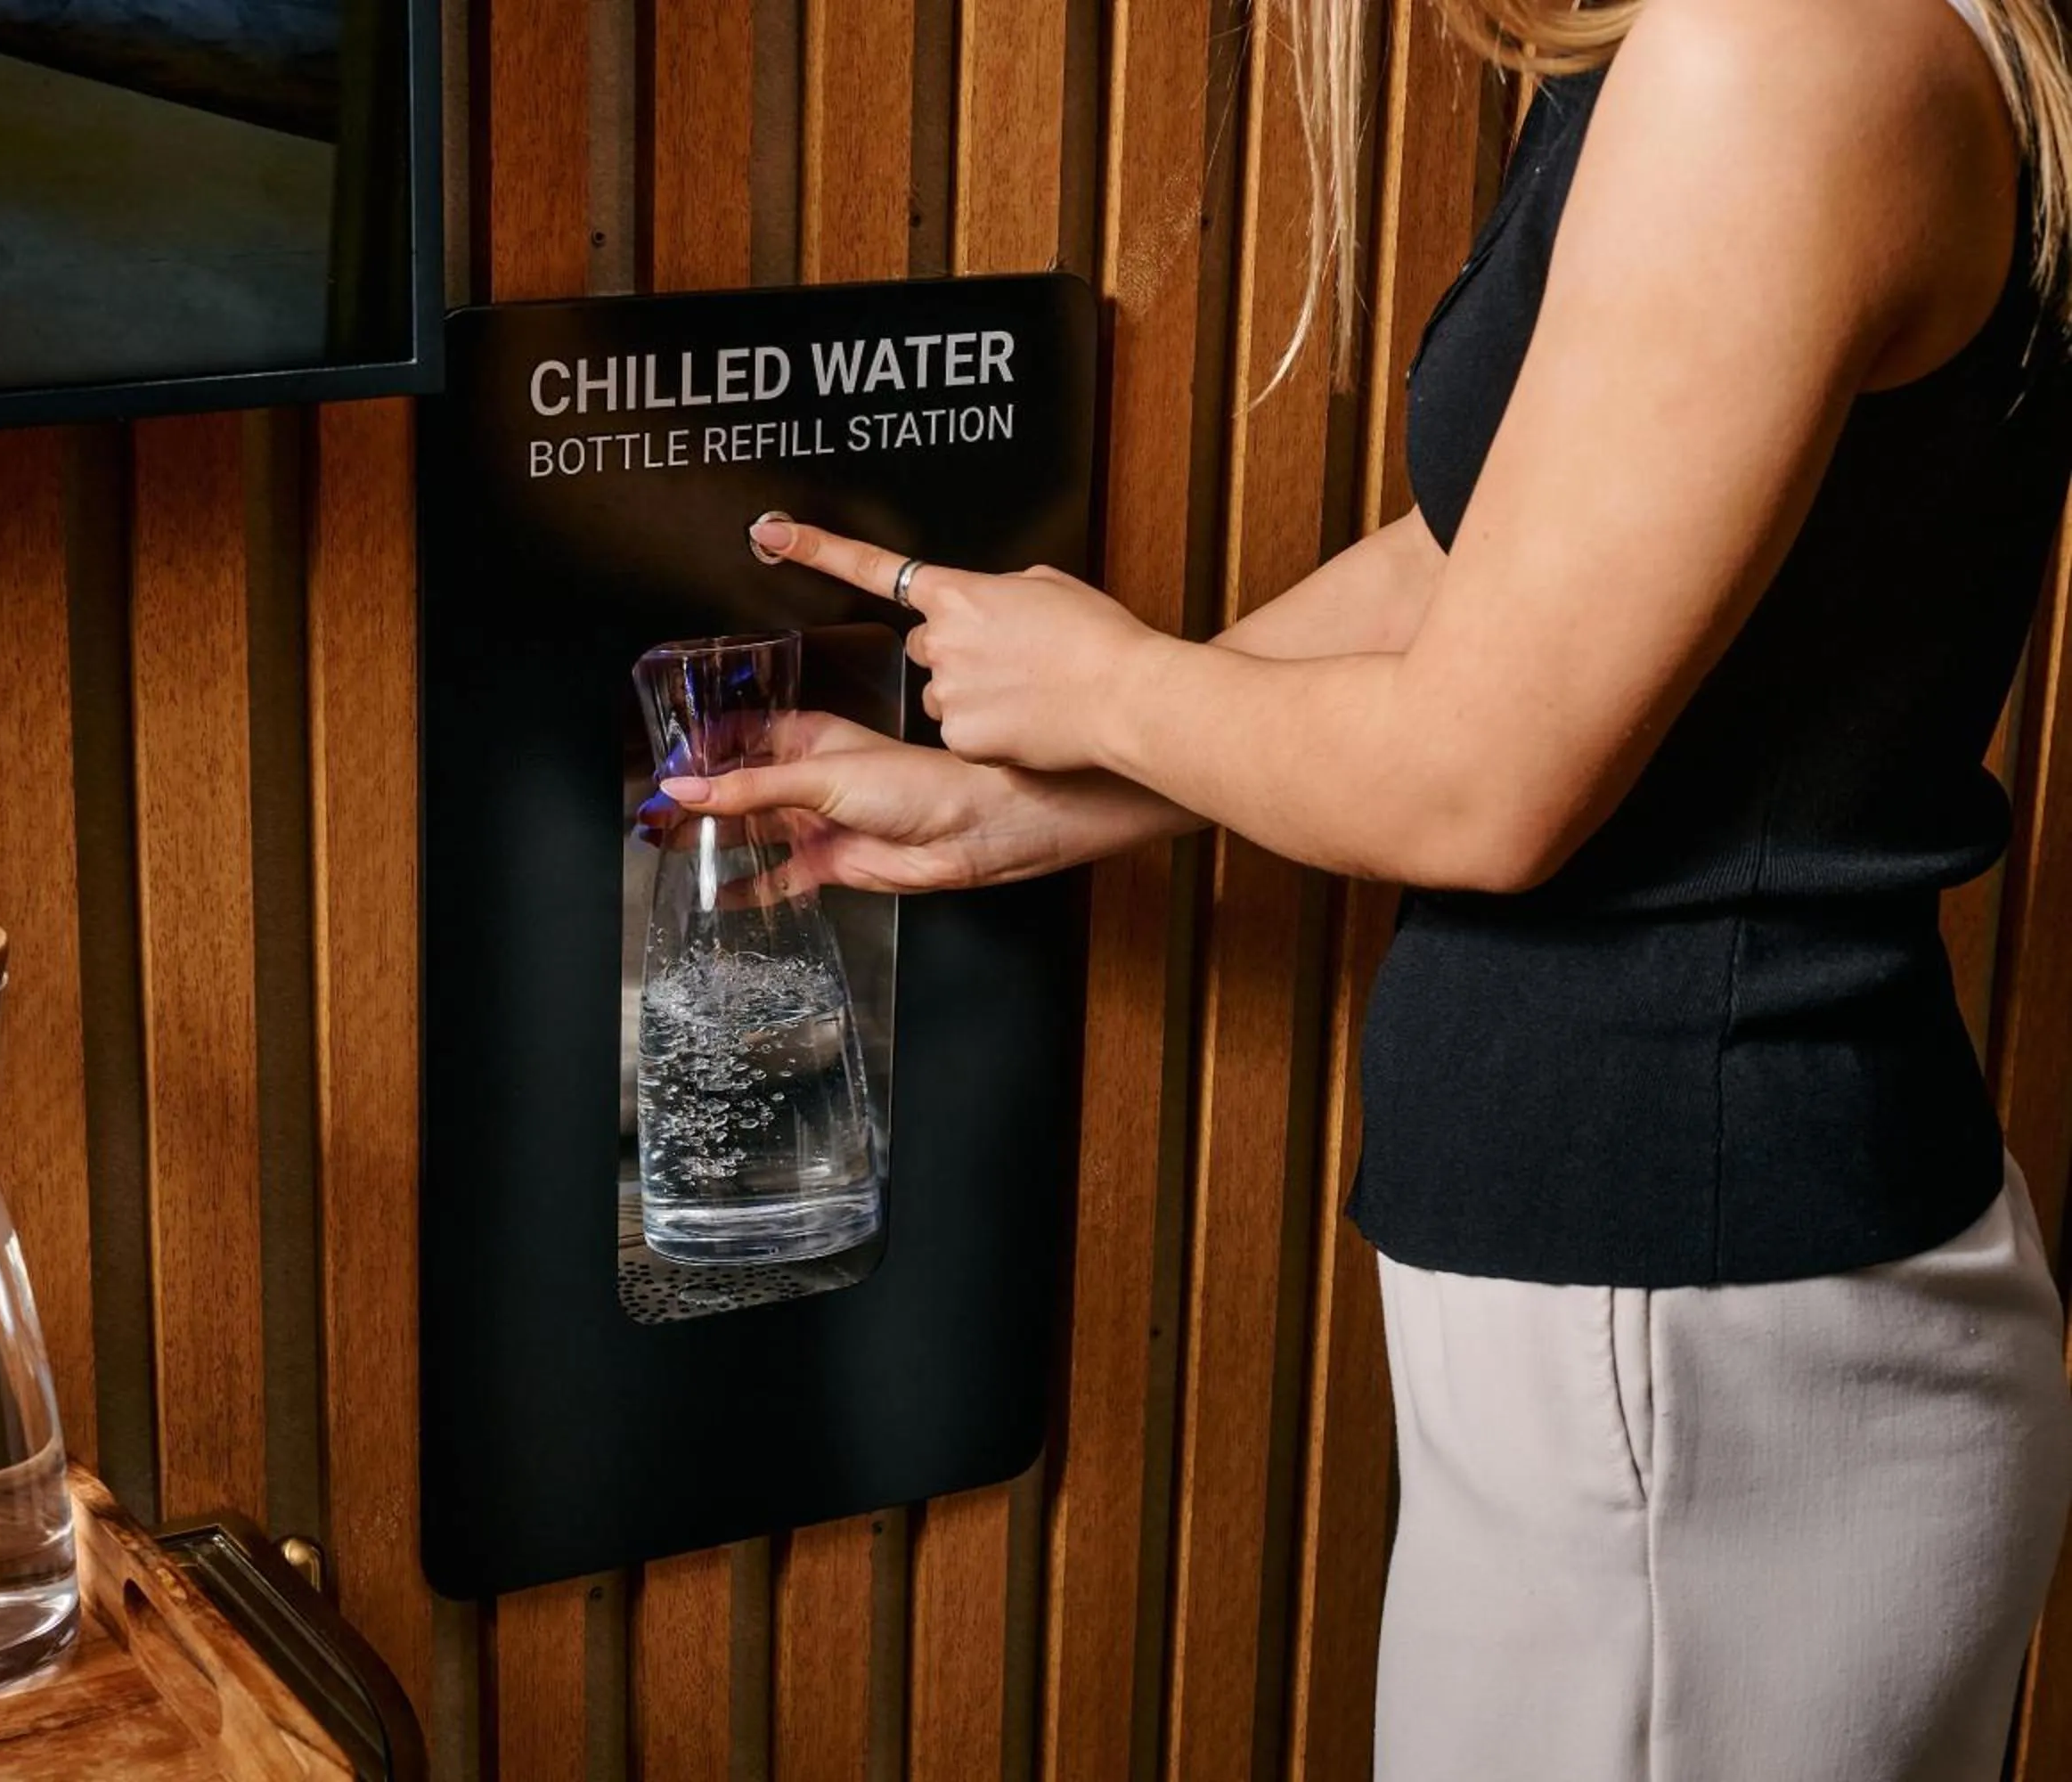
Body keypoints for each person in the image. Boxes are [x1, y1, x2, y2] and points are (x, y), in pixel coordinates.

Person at [651, 0, 2072, 1776]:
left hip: (1695, 1347)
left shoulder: (1781, 55)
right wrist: (1037, 796)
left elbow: (1487, 783)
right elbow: (1506, 557)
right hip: (1684, 1327)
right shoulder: (1745, 42)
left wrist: (1108, 688)